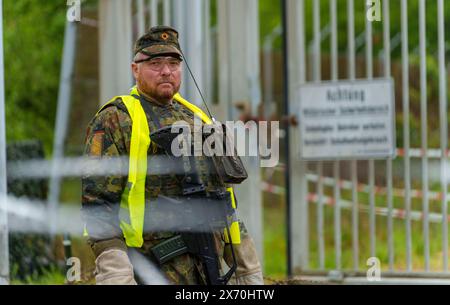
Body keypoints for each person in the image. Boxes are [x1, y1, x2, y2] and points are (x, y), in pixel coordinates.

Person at [81, 25, 264, 285]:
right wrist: (117, 273)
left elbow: (223, 202)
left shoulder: (197, 118)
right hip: (144, 269)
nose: (166, 71)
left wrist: (247, 268)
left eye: (173, 63)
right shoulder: (116, 119)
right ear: (136, 70)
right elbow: (97, 205)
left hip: (205, 272)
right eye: (155, 63)